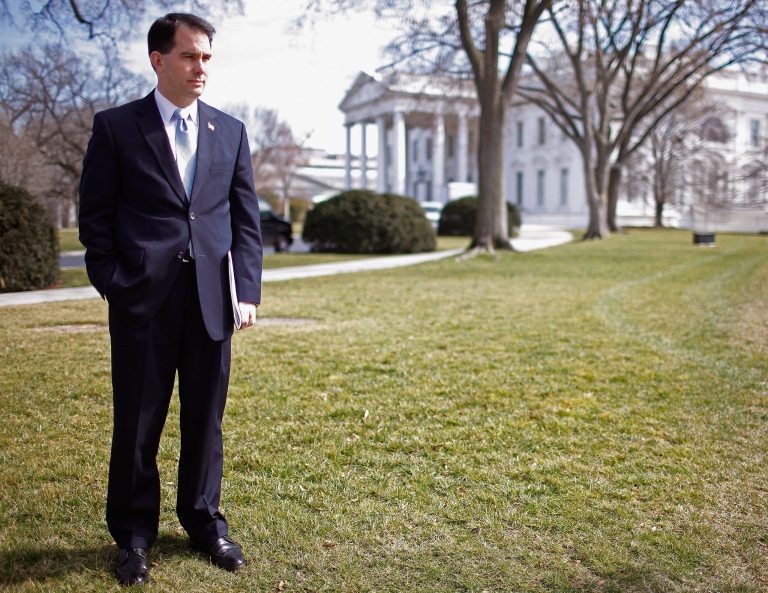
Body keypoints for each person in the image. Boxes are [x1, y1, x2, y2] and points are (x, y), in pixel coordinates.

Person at [79, 12, 263, 586]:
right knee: (138, 422)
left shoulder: (229, 131)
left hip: (212, 300)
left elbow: (244, 220)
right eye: (190, 56)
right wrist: (114, 280)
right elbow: (96, 217)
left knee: (205, 420)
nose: (200, 67)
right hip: (142, 300)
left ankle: (205, 523)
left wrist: (247, 291)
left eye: (207, 56)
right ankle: (134, 538)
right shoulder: (116, 128)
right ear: (159, 60)